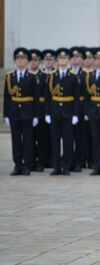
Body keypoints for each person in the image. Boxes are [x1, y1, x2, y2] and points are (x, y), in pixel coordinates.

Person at [3, 48, 39, 176]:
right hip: (14, 112)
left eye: (23, 58)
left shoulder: (32, 77)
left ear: (27, 61)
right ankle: (17, 164)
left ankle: (27, 165)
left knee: (28, 140)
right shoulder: (9, 77)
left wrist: (35, 115)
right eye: (18, 58)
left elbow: (35, 98)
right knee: (16, 139)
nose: (20, 61)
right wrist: (6, 114)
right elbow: (7, 97)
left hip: (27, 111)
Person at [46, 48, 81, 175]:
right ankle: (56, 166)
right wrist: (47, 113)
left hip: (68, 111)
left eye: (65, 58)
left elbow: (76, 97)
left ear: (68, 60)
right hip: (55, 111)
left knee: (67, 141)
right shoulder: (51, 76)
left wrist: (76, 114)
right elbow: (48, 97)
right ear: (57, 60)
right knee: (55, 141)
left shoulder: (73, 76)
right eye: (60, 58)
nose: (62, 60)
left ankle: (66, 166)